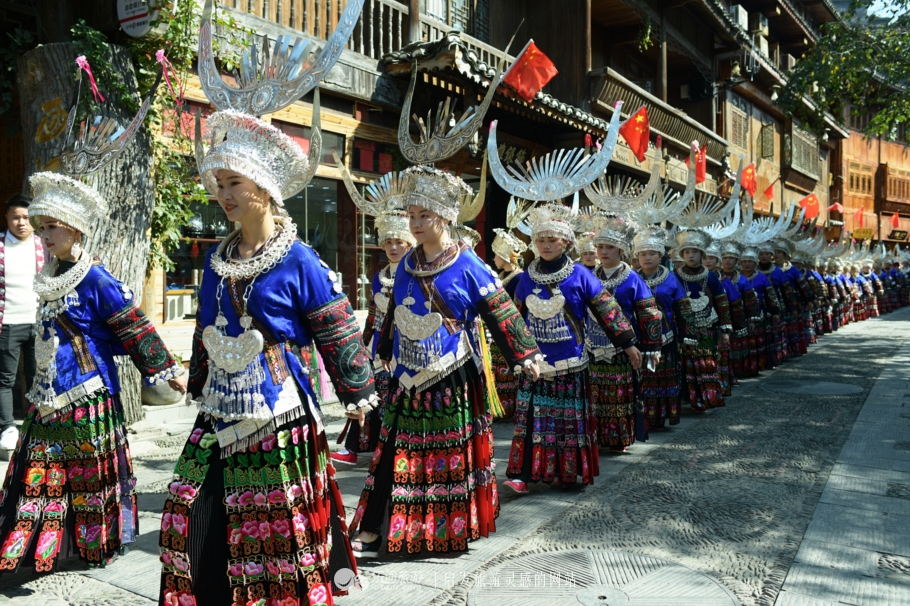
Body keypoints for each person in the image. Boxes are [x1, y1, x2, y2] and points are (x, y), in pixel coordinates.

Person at [160, 7, 376, 601]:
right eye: (219, 184)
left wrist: (357, 394)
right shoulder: (217, 258)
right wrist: (197, 377)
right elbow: (206, 323)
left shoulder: (299, 259)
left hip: (278, 405)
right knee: (185, 506)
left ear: (263, 188)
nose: (223, 195)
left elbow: (335, 328)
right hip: (221, 405)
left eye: (233, 184)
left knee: (273, 521)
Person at [347, 165, 542, 557]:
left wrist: (524, 353)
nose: (416, 224)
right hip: (406, 373)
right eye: (412, 216)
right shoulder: (405, 264)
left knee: (444, 455)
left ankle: (442, 528)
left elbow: (500, 310)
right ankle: (375, 526)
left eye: (425, 216)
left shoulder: (469, 264)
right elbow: (391, 315)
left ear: (446, 216)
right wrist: (384, 351)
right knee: (394, 451)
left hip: (450, 373)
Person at [0, 167, 186, 572]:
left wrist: (164, 367)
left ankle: (94, 544)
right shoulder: (50, 274)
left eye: (52, 227)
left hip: (87, 393)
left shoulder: (97, 278)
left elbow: (132, 323)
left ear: (76, 230)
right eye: (41, 228)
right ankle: (31, 547)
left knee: (89, 478)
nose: (45, 236)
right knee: (39, 473)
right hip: (47, 394)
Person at [506, 204, 641, 493]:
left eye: (551, 240)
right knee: (531, 420)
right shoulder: (526, 276)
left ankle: (567, 472)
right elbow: (515, 317)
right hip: (535, 363)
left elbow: (607, 308)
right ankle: (524, 475)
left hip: (570, 362)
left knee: (566, 422)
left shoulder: (580, 274)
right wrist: (515, 355)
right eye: (540, 240)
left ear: (566, 242)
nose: (545, 245)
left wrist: (628, 344)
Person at [333, 211, 414, 465]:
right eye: (388, 242)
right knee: (369, 396)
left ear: (409, 243)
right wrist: (362, 342)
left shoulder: (415, 275)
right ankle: (354, 449)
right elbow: (373, 314)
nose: (393, 247)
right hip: (379, 346)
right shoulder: (379, 277)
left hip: (406, 347)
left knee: (399, 400)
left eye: (399, 241)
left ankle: (395, 449)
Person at [586, 216, 661, 451]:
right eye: (600, 247)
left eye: (609, 247)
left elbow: (649, 313)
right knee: (593, 394)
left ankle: (618, 438)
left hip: (622, 347)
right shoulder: (587, 276)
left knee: (619, 395)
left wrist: (652, 348)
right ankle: (594, 437)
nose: (603, 251)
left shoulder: (632, 278)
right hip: (590, 346)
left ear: (621, 249)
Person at [635, 225, 696, 429]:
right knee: (641, 378)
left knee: (662, 378)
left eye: (652, 253)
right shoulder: (632, 278)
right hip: (638, 339)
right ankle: (641, 416)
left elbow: (683, 309)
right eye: (643, 254)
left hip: (665, 338)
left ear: (660, 255)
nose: (647, 258)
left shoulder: (671, 279)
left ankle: (659, 417)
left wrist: (688, 335)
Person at [0, 194, 46, 455]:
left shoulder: (44, 245)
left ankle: (32, 425)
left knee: (35, 377)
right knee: (4, 379)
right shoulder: (0, 245)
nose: (21, 223)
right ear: (7, 217)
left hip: (38, 323)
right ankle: (7, 427)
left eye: (26, 218)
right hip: (7, 323)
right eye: (15, 217)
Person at [674, 230, 731, 411]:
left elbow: (722, 302)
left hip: (707, 327)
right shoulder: (674, 276)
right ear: (682, 254)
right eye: (687, 252)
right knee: (685, 364)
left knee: (706, 362)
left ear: (702, 254)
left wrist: (725, 329)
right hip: (682, 329)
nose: (691, 255)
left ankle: (707, 397)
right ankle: (687, 398)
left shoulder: (711, 277)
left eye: (695, 252)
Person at [489, 227, 529, 420]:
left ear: (504, 256)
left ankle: (511, 407)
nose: (494, 259)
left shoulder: (520, 277)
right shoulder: (503, 277)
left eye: (496, 255)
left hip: (510, 329)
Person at [741, 246, 782, 371]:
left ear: (755, 263)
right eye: (744, 261)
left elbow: (771, 295)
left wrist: (775, 312)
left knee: (757, 342)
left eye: (750, 262)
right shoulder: (737, 277)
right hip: (739, 315)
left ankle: (759, 365)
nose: (747, 264)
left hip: (759, 314)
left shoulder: (762, 277)